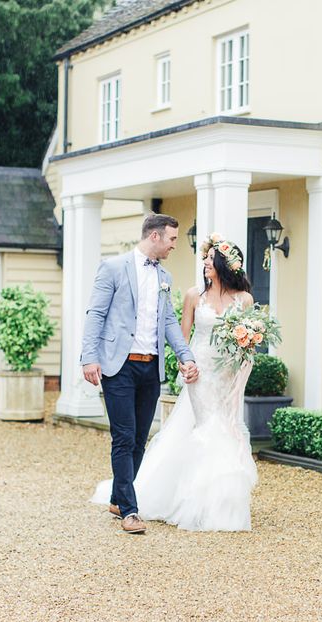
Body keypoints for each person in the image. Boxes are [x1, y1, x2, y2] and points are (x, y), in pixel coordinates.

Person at [91, 235, 258, 532]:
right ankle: (198, 503)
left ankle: (223, 502)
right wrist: (185, 364)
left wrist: (239, 380)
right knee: (207, 429)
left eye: (209, 259)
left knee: (227, 428)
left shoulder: (244, 300)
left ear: (224, 264)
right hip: (200, 372)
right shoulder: (195, 296)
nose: (204, 263)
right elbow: (180, 334)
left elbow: (248, 347)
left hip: (228, 375)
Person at [81, 214, 199, 534]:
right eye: (172, 239)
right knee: (123, 436)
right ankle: (130, 512)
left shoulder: (165, 277)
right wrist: (89, 358)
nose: (175, 245)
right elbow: (96, 314)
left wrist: (186, 356)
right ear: (156, 237)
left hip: (151, 366)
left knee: (138, 441)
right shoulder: (113, 268)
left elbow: (170, 322)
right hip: (118, 365)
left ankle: (119, 498)